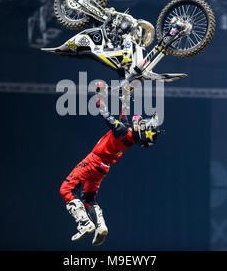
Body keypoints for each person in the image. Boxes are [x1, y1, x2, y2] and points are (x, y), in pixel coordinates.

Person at [59, 85, 161, 246]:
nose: (141, 121)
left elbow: (104, 112)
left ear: (141, 130)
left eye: (144, 123)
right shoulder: (128, 135)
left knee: (65, 189)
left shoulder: (122, 130)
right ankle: (100, 226)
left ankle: (84, 223)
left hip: (93, 161)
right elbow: (124, 116)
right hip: (103, 167)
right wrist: (126, 95)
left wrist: (99, 94)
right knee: (88, 198)